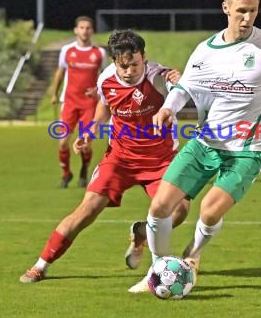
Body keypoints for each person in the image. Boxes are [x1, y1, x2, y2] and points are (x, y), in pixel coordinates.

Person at [128, 0, 261, 292]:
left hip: (247, 150)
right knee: (160, 207)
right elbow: (186, 87)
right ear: (225, 8)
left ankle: (192, 255)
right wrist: (168, 108)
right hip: (204, 143)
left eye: (253, 10)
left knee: (209, 210)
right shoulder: (205, 51)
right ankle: (156, 273)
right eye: (241, 10)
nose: (247, 17)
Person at [20, 30, 190, 283]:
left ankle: (143, 233)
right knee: (86, 210)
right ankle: (41, 264)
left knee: (181, 210)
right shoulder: (106, 79)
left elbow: (182, 90)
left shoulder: (158, 77)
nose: (130, 70)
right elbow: (104, 106)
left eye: (135, 63)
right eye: (124, 66)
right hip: (120, 158)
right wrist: (89, 133)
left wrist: (181, 80)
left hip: (161, 160)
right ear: (113, 62)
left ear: (144, 57)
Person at [50, 16, 108, 188]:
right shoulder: (67, 51)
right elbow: (60, 72)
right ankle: (66, 174)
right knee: (62, 142)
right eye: (81, 27)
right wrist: (54, 93)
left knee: (85, 144)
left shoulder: (99, 53)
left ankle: (84, 169)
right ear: (76, 30)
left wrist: (98, 91)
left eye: (88, 28)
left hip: (89, 105)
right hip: (69, 102)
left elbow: (106, 77)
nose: (84, 31)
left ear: (92, 31)